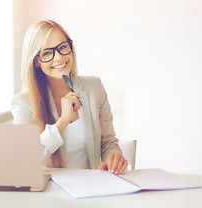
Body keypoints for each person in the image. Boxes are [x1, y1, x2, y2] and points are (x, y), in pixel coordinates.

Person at [11, 20, 127, 174]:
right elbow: (23, 161)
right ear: (36, 61)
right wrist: (63, 121)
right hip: (50, 193)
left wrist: (114, 157)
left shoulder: (94, 87)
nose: (59, 57)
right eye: (47, 52)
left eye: (63, 47)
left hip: (92, 188)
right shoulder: (23, 104)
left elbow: (108, 143)